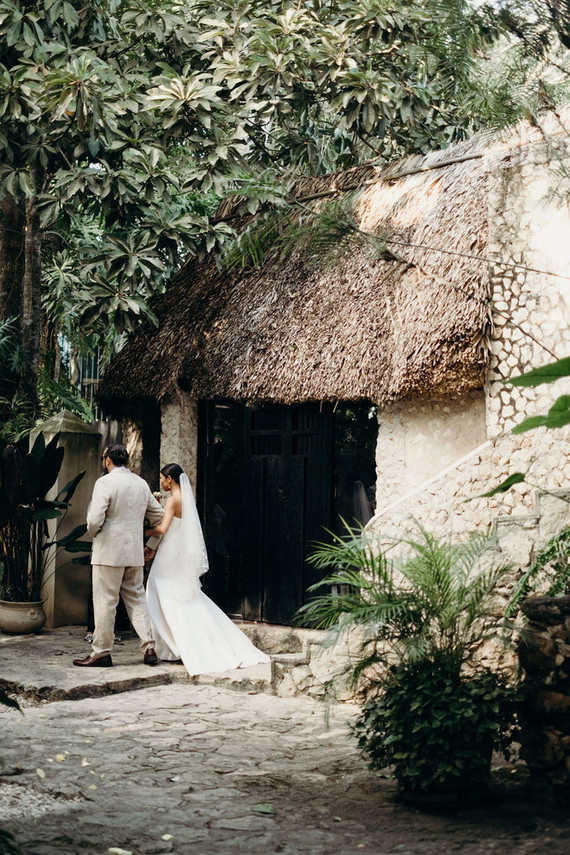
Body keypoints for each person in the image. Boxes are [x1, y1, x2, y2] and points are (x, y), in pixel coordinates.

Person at [144, 463, 270, 675]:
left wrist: (142, 529)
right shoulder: (187, 499)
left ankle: (171, 645)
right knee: (174, 594)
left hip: (169, 553)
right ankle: (169, 646)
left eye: (163, 479)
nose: (161, 483)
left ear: (170, 479)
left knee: (159, 590)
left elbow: (163, 528)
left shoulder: (173, 500)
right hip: (176, 552)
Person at [73, 444, 164, 668]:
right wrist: (152, 543)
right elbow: (160, 517)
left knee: (105, 602)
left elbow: (94, 520)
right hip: (134, 552)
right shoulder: (141, 483)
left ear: (107, 460)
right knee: (137, 599)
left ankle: (101, 652)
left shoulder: (104, 482)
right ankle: (149, 647)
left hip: (108, 553)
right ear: (126, 460)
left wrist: (95, 533)